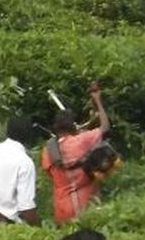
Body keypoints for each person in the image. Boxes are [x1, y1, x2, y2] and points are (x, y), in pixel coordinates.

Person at [41, 81, 111, 225]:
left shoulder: (47, 150)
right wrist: (98, 101)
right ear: (72, 126)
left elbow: (51, 174)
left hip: (62, 212)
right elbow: (105, 126)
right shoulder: (82, 141)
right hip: (86, 208)